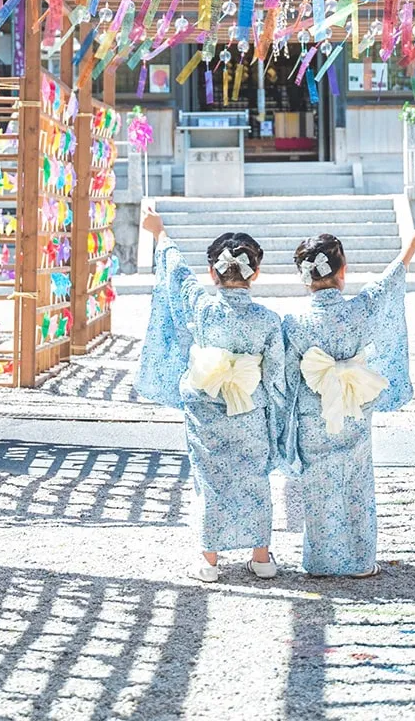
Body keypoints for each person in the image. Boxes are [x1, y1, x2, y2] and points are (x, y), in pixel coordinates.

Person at [135, 208, 286, 583]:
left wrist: (161, 233)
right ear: (256, 272)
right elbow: (276, 375)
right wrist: (278, 416)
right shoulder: (268, 320)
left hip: (206, 408)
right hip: (250, 407)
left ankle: (210, 560)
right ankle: (261, 556)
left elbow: (176, 275)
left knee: (210, 478)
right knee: (254, 476)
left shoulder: (202, 307)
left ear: (213, 273)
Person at [281, 225, 415, 577]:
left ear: (304, 278)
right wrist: (409, 248)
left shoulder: (294, 322)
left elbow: (285, 375)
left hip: (313, 408)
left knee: (316, 481)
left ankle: (319, 561)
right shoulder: (360, 310)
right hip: (353, 400)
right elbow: (386, 286)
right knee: (356, 478)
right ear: (342, 271)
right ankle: (360, 561)